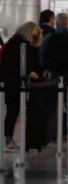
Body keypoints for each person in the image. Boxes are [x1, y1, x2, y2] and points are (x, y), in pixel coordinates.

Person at [1, 22, 42, 150]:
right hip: (13, 82)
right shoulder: (17, 43)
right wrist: (29, 72)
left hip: (16, 82)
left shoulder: (22, 43)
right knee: (13, 110)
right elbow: (15, 63)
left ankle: (10, 138)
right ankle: (7, 139)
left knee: (15, 110)